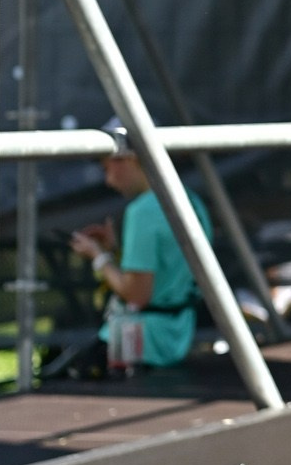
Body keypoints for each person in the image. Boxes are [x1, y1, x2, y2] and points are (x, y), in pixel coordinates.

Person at [70, 131, 212, 369]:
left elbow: (137, 294)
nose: (109, 181)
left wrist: (99, 256)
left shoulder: (143, 211)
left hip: (145, 344)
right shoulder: (191, 199)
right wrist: (115, 250)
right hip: (179, 333)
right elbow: (169, 269)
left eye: (107, 168)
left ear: (129, 158)